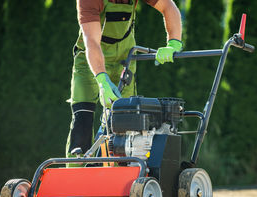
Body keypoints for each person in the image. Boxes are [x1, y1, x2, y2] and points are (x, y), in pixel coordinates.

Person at [66, 0, 183, 158]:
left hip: (124, 59)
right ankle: (74, 176)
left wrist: (174, 43)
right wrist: (102, 80)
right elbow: (92, 42)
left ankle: (114, 175)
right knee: (82, 120)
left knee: (123, 123)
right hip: (89, 61)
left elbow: (168, 7)